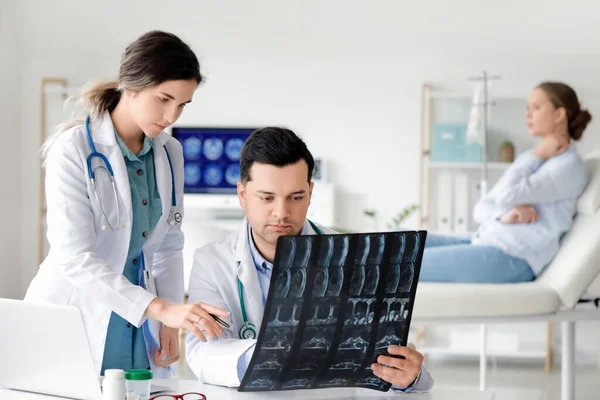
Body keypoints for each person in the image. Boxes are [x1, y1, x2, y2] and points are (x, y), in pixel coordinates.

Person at [25, 31, 228, 377]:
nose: (171, 116)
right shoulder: (73, 149)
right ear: (130, 86)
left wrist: (169, 322)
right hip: (78, 311)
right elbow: (76, 258)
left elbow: (168, 246)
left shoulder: (170, 152)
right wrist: (161, 309)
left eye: (181, 105)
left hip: (139, 319)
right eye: (163, 99)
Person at [185, 127, 434, 392]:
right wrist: (263, 355)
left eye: (296, 197)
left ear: (311, 193)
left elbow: (385, 353)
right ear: (243, 195)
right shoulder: (211, 262)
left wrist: (411, 377)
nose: (281, 213)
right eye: (267, 197)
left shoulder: (352, 258)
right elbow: (202, 351)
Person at [420, 82, 592, 283]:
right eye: (527, 108)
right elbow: (481, 208)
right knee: (396, 243)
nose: (528, 114)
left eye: (536, 107)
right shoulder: (532, 159)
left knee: (400, 265)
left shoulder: (568, 165)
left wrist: (537, 154)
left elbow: (504, 195)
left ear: (559, 114)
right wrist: (504, 216)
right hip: (486, 239)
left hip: (513, 256)